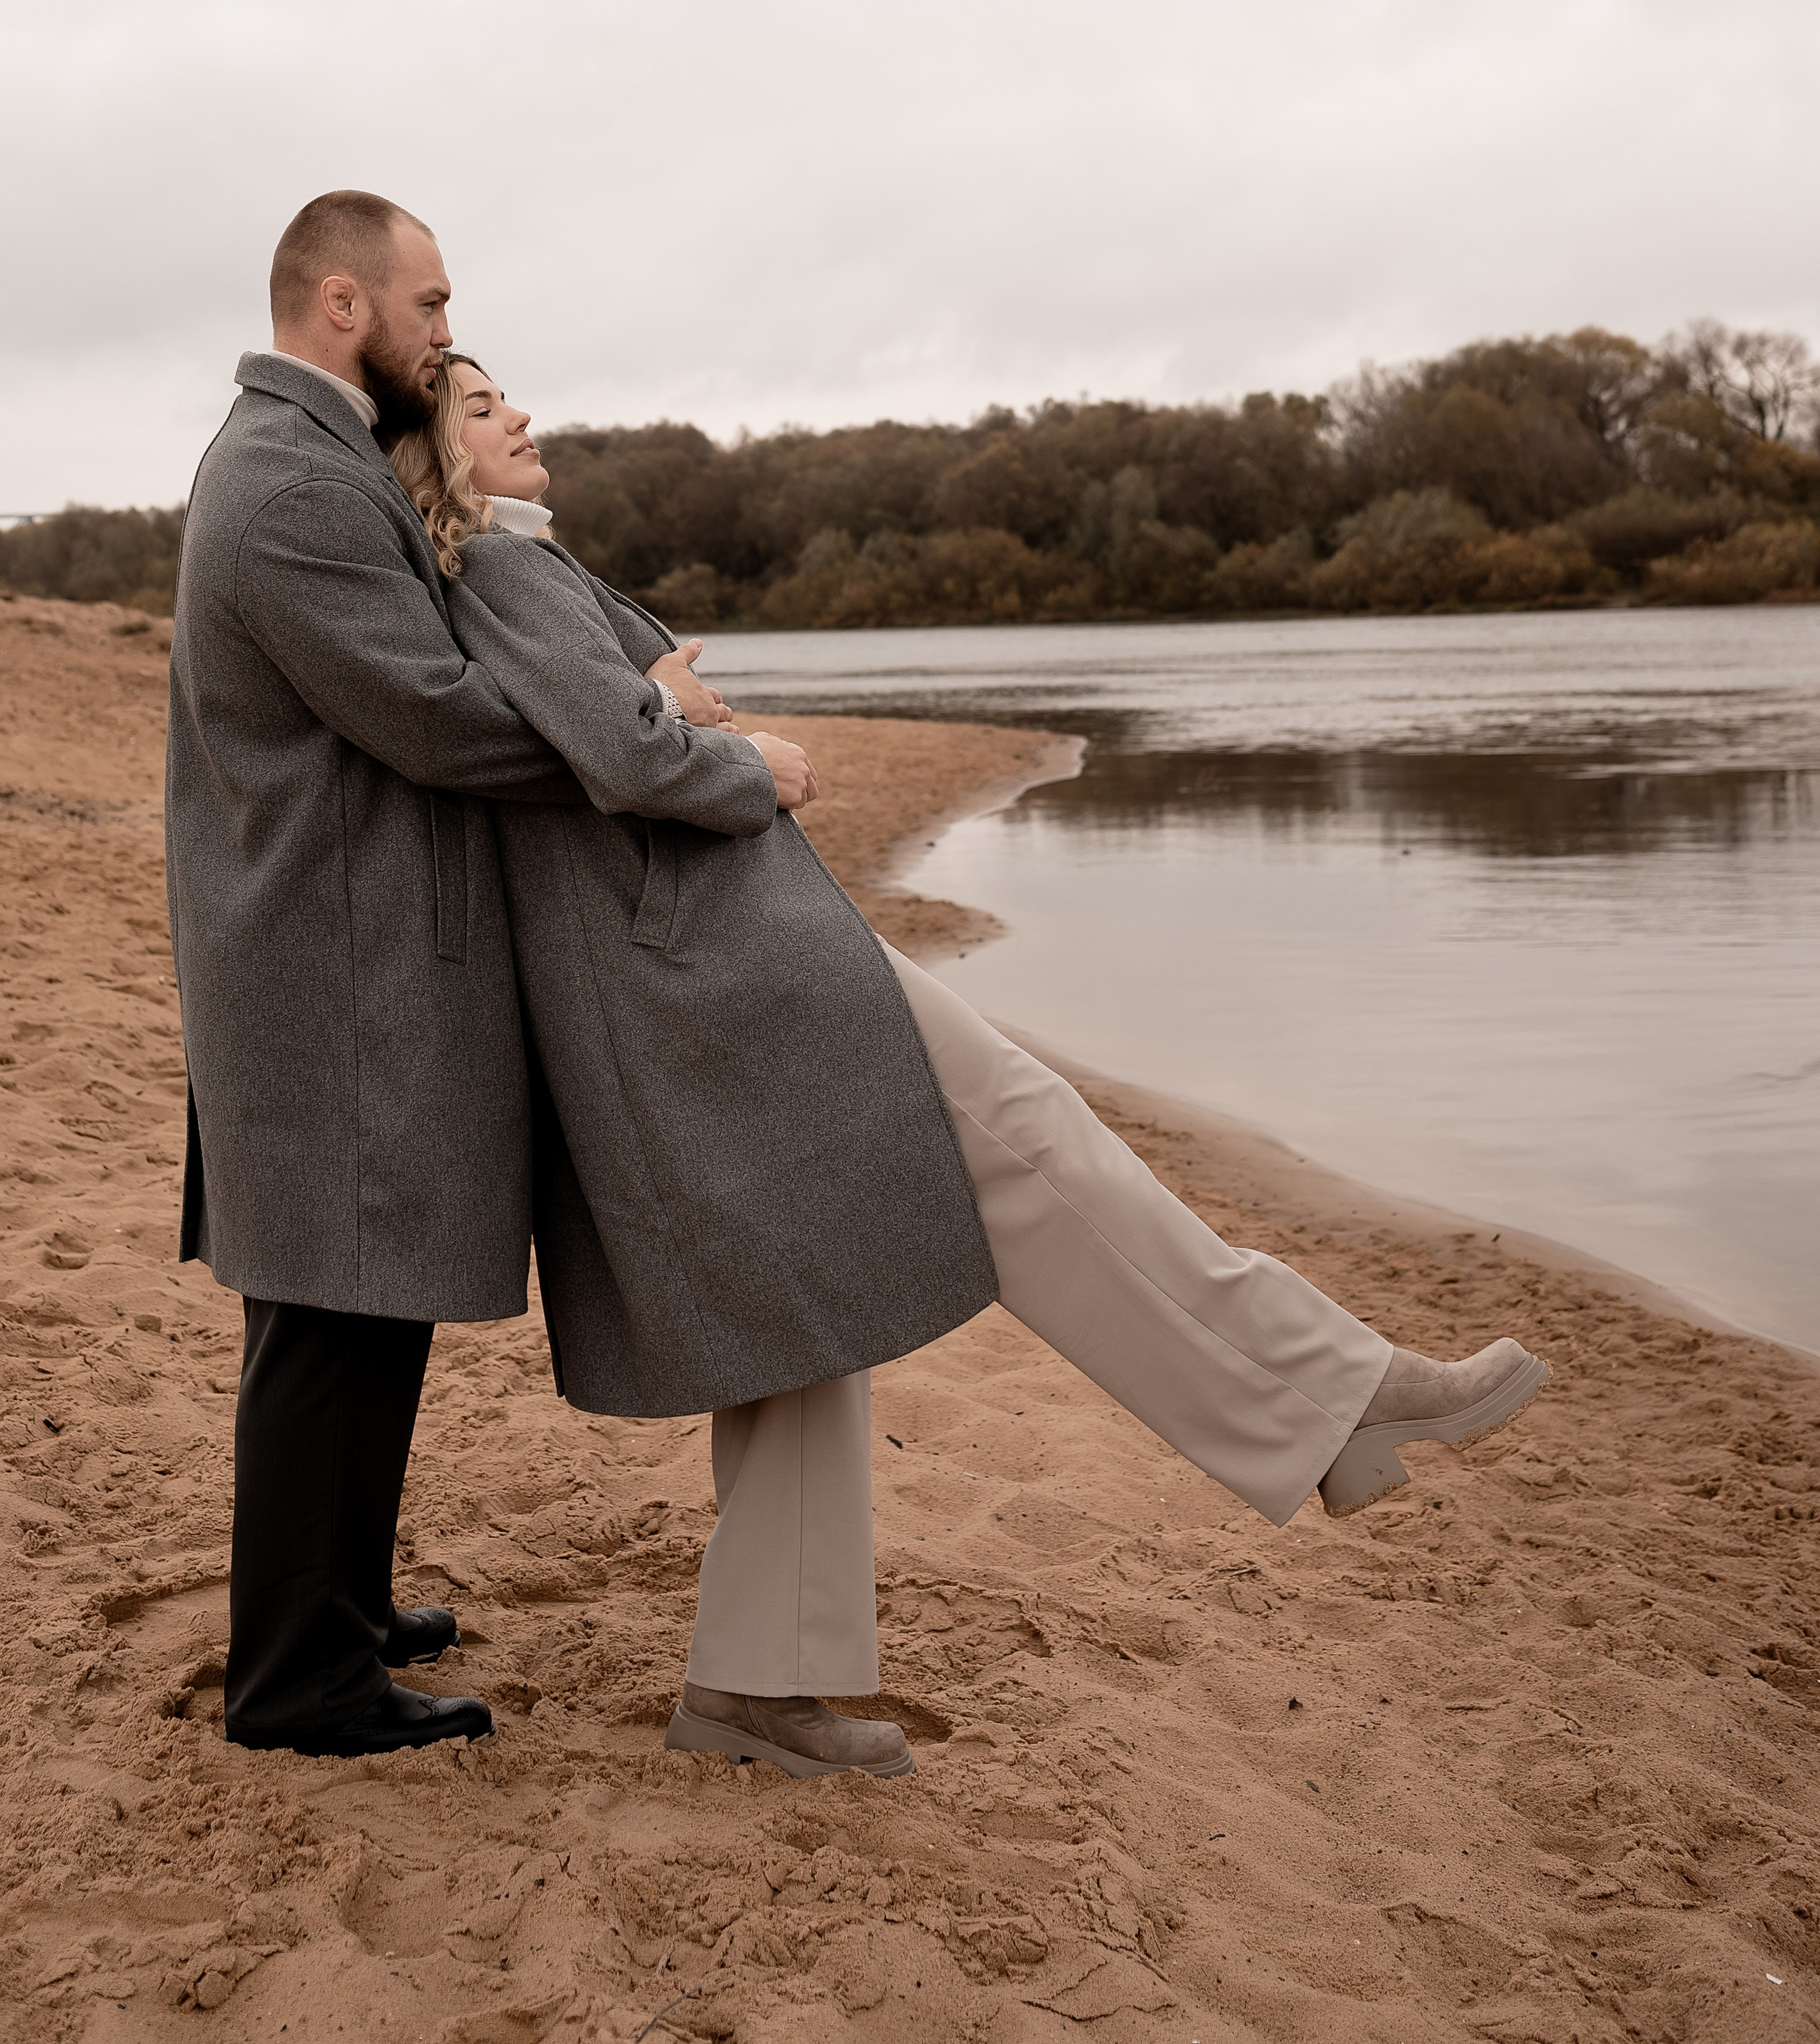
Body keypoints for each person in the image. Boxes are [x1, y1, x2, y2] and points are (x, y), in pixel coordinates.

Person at [388, 353, 1551, 1784]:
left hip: (723, 973)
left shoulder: (526, 569)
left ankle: (756, 1690)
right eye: (482, 405)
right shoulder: (503, 581)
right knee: (1030, 1139)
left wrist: (684, 712)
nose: (520, 415)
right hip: (721, 984)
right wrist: (741, 752)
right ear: (436, 452)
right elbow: (631, 751)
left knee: (812, 1321)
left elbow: (626, 724)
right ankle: (1334, 1390)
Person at [166, 192, 602, 1760]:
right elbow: (427, 714)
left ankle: (331, 1607)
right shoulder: (287, 481)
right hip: (322, 963)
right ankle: (301, 1680)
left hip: (323, 949)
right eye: (426, 302)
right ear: (341, 304)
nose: (444, 330)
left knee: (356, 1313)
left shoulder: (314, 457)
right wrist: (638, 742)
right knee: (331, 1325)